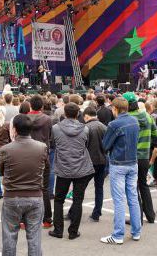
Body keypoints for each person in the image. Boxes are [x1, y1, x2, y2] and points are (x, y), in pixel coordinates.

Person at [0, 114, 48, 255]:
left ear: (14, 129)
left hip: (12, 197)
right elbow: (47, 169)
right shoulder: (42, 147)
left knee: (9, 237)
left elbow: (0, 170)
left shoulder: (6, 149)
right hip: (35, 196)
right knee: (34, 238)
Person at [49, 103, 94, 240]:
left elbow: (53, 144)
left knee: (58, 200)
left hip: (63, 168)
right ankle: (73, 232)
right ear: (78, 114)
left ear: (64, 114)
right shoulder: (85, 129)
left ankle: (58, 230)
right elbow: (86, 145)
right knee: (78, 200)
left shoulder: (56, 128)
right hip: (81, 168)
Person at [100, 97, 141, 245]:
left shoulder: (114, 124)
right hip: (132, 162)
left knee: (119, 200)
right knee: (133, 198)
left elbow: (105, 145)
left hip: (119, 163)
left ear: (115, 109)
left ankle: (118, 235)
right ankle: (136, 232)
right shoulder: (135, 121)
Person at [123, 92, 157, 224]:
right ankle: (150, 216)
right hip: (144, 156)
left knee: (133, 188)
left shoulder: (127, 119)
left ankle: (137, 218)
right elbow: (156, 134)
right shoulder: (148, 117)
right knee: (143, 185)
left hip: (131, 157)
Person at [28, 95, 53, 228]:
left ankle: (25, 220)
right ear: (42, 106)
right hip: (43, 154)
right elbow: (50, 136)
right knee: (44, 189)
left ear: (30, 105)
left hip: (27, 155)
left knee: (26, 187)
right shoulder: (47, 119)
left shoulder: (24, 118)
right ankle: (47, 219)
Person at [83, 106, 107, 222]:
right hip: (102, 160)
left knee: (80, 188)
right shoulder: (104, 127)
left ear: (86, 116)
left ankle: (73, 211)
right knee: (99, 187)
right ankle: (97, 212)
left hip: (89, 162)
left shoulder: (85, 128)